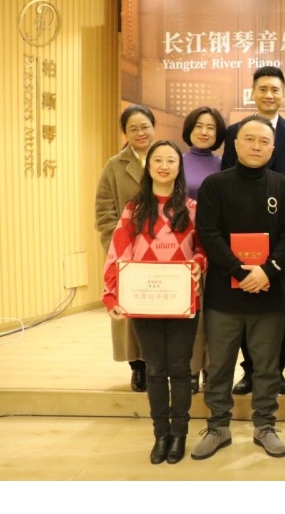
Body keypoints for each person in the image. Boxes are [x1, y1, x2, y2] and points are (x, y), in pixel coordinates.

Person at [192, 115, 285, 460]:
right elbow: (209, 234)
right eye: (249, 139)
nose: (256, 146)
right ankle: (218, 426)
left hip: (269, 292)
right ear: (236, 144)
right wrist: (239, 271)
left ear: (273, 148)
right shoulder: (215, 185)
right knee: (219, 365)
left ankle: (265, 425)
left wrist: (267, 271)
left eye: (264, 141)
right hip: (224, 294)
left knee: (267, 366)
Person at [102, 140, 207, 465]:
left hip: (182, 301)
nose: (164, 166)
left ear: (179, 167)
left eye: (171, 160)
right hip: (144, 301)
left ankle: (179, 434)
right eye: (157, 160)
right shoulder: (134, 209)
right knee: (156, 369)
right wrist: (111, 293)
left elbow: (203, 249)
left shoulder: (192, 209)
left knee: (181, 369)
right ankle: (161, 434)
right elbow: (118, 252)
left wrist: (197, 264)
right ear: (148, 167)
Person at [222, 67, 285, 397]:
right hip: (242, 232)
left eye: (275, 89)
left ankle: (277, 371)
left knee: (276, 304)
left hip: (280, 230)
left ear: (283, 94)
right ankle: (249, 371)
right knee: (245, 299)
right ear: (253, 93)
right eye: (263, 89)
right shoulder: (235, 131)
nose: (269, 95)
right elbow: (228, 177)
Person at [95, 104, 156, 392]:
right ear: (125, 133)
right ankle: (138, 367)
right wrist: (116, 248)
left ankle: (159, 365)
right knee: (131, 311)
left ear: (154, 128)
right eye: (133, 128)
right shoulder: (114, 165)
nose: (140, 133)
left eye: (145, 126)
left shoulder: (167, 157)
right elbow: (104, 211)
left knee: (161, 307)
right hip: (128, 252)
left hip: (166, 251)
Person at [181, 106, 227, 394]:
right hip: (184, 247)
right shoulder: (176, 161)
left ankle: (212, 369)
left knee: (214, 313)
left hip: (216, 246)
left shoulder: (224, 165)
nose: (204, 132)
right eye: (199, 126)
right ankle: (189, 370)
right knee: (189, 313)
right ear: (189, 129)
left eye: (211, 127)